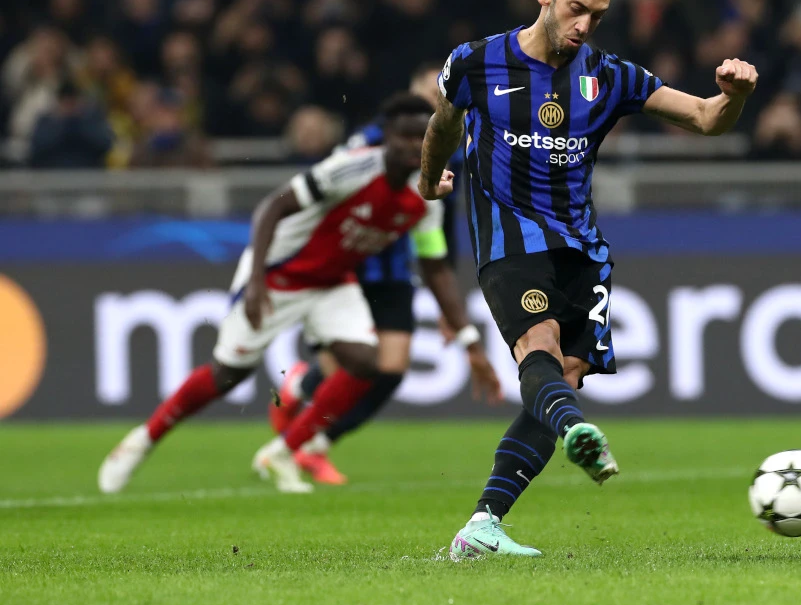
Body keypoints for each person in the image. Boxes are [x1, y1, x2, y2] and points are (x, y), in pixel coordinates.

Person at [419, 0, 758, 557]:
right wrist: (427, 182)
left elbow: (707, 120)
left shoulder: (609, 76)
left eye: (597, 16)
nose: (585, 26)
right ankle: (576, 430)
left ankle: (482, 526)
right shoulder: (475, 63)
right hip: (509, 240)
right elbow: (443, 124)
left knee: (565, 376)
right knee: (539, 347)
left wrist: (733, 94)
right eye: (577, 9)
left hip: (582, 250)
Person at [98, 93, 501, 495]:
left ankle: (283, 452)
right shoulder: (351, 169)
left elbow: (434, 267)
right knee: (227, 375)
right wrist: (255, 282)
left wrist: (468, 340)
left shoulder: (426, 193)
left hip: (332, 282)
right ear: (386, 138)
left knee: (365, 361)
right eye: (406, 137)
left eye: (423, 137)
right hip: (278, 274)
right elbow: (272, 208)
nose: (415, 147)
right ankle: (141, 440)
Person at [270, 89, 494, 485]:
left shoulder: (444, 143)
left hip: (394, 272)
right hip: (347, 268)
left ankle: (313, 444)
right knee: (344, 370)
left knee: (390, 370)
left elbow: (438, 227)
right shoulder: (366, 145)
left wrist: (456, 317)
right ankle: (301, 394)